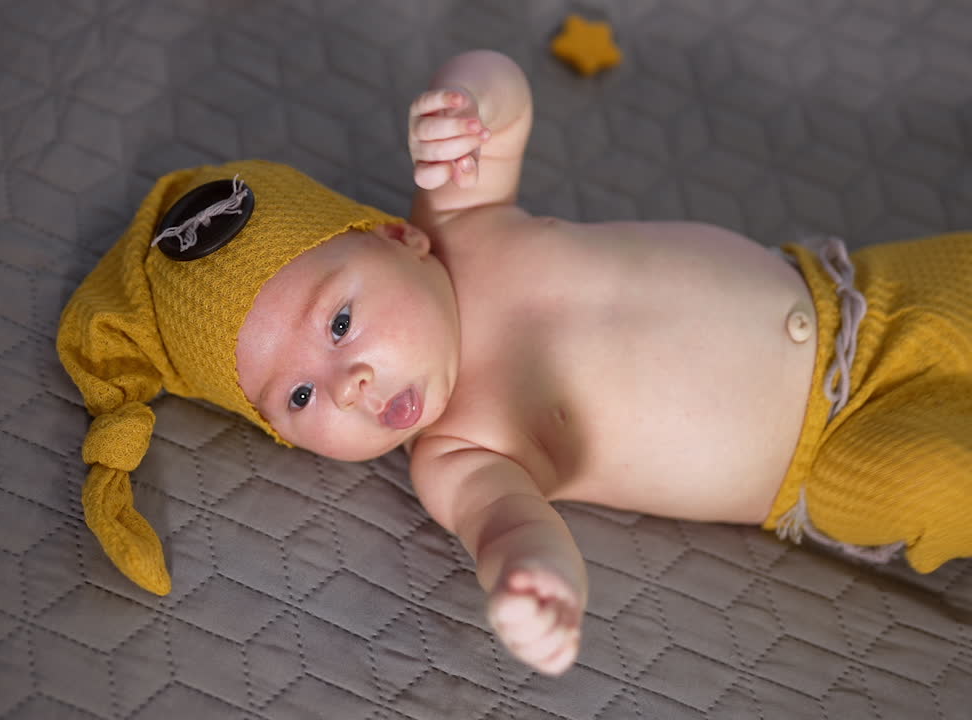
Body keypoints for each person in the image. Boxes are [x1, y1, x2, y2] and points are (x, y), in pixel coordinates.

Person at [58, 50, 972, 676]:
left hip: (865, 295)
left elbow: (501, 92)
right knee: (947, 480)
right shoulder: (455, 456)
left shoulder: (464, 222)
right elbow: (507, 526)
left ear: (397, 238)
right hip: (826, 459)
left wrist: (466, 105)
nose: (349, 385)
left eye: (338, 322)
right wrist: (532, 584)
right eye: (296, 397)